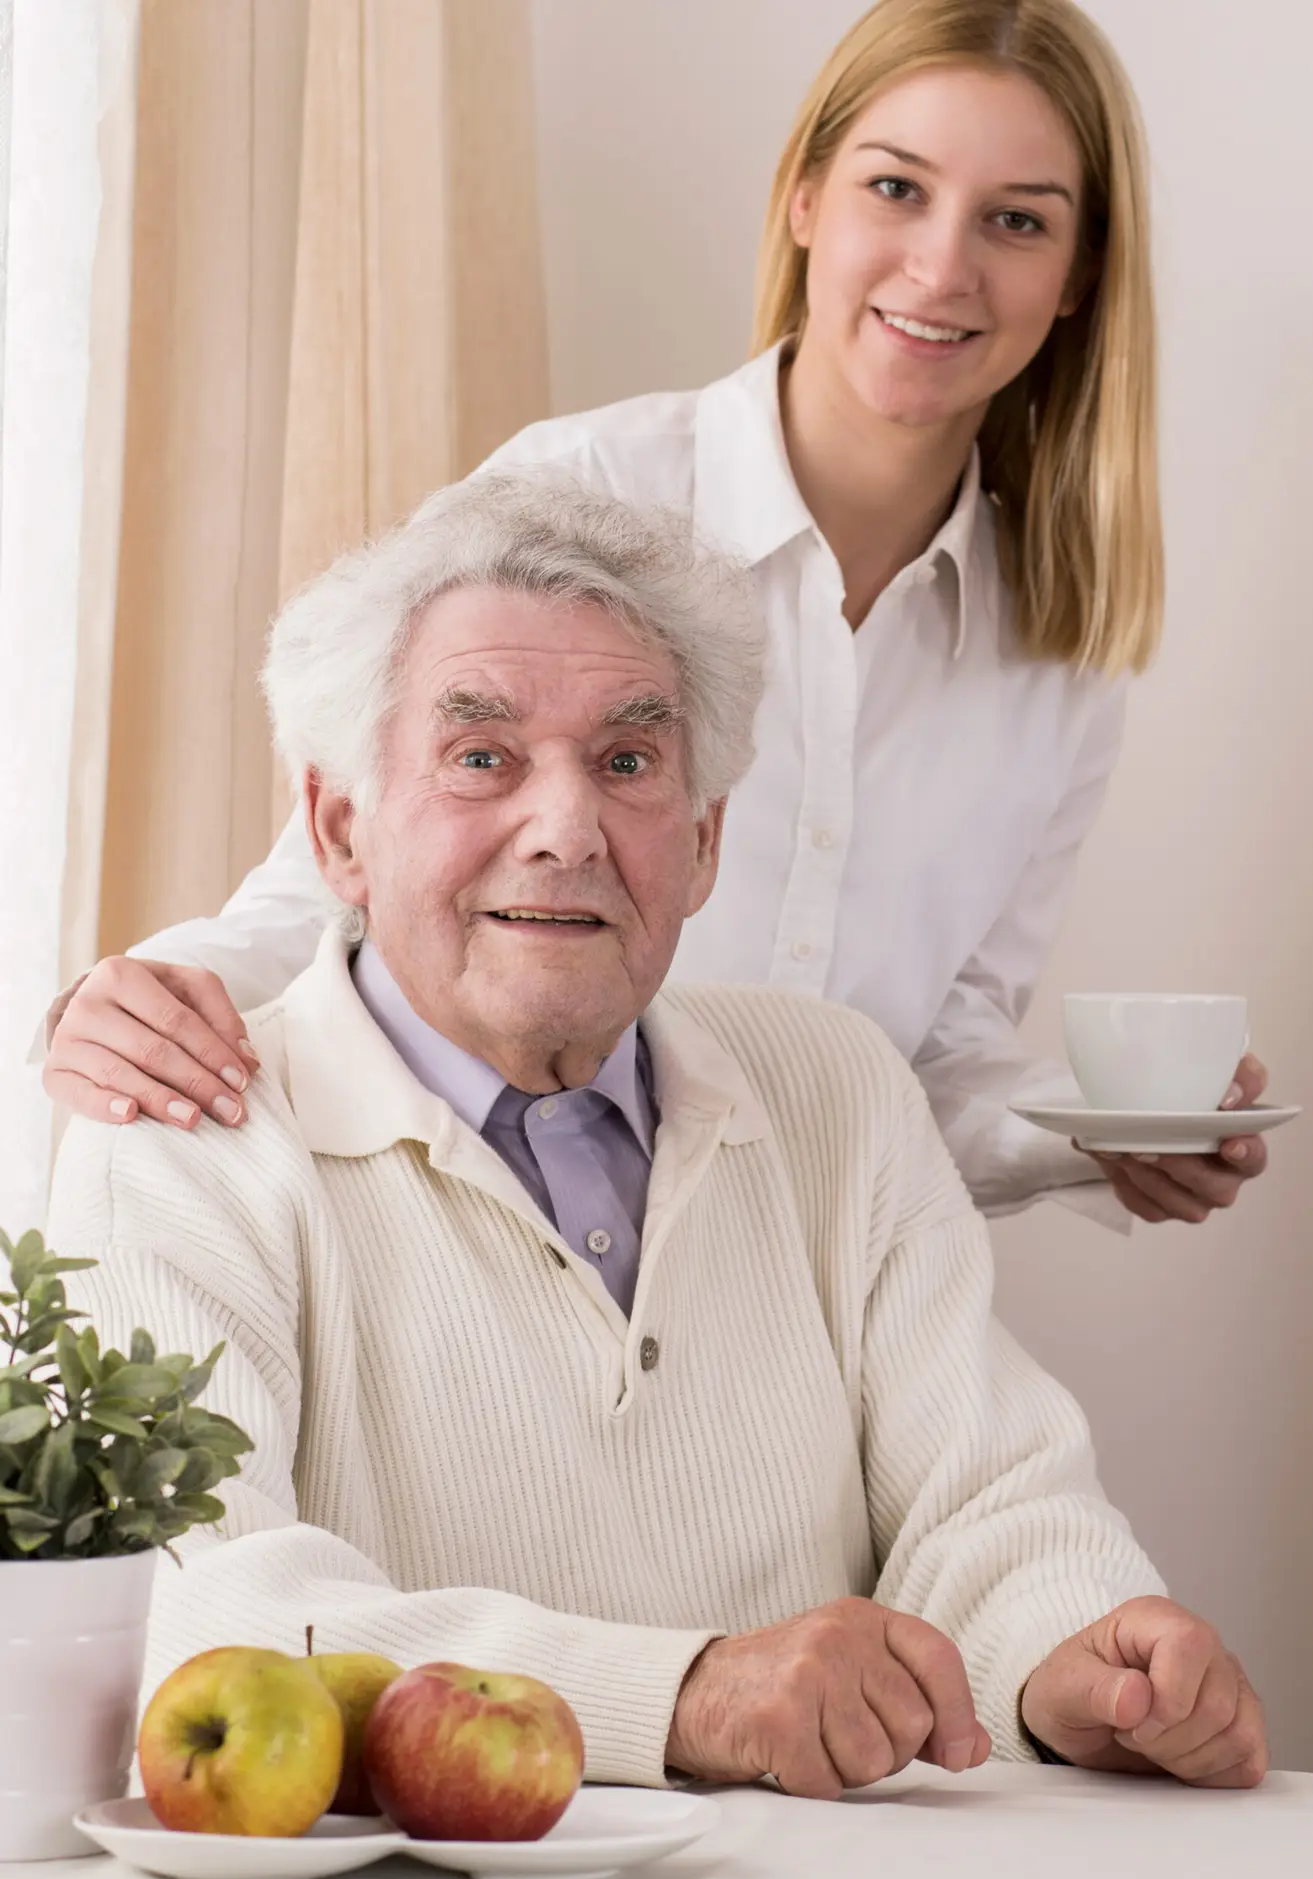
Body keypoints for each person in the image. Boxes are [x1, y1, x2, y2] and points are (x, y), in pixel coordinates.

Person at [47, 474, 1266, 1794]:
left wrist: (1071, 1655)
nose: (566, 829)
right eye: (480, 757)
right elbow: (198, 1604)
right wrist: (683, 1695)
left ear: (700, 843)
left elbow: (986, 1500)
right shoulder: (183, 1136)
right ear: (342, 829)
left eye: (627, 763)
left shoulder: (833, 1086)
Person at [41, 0, 1271, 1229]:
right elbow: (342, 879)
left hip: (800, 1281)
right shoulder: (574, 493)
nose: (942, 268)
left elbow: (932, 1065)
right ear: (803, 198)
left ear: (1078, 275)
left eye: (1015, 220)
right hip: (481, 1232)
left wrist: (1096, 1134)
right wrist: (152, 998)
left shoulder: (1055, 656)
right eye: (896, 189)